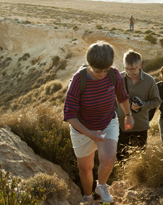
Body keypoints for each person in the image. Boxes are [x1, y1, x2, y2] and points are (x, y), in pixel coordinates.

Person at [63, 41, 134, 204]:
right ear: (89, 64)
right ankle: (87, 196)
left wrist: (128, 114)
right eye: (97, 70)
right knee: (85, 168)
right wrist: (90, 134)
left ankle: (101, 186)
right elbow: (69, 114)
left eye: (105, 70)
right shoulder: (78, 80)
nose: (102, 74)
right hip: (82, 129)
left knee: (109, 158)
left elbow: (122, 96)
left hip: (107, 122)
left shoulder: (113, 74)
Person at [116, 50, 161, 159]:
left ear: (140, 66)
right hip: (121, 127)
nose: (129, 72)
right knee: (121, 158)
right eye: (126, 68)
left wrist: (143, 105)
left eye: (132, 69)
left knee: (139, 159)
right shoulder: (118, 79)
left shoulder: (149, 81)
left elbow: (157, 101)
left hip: (141, 127)